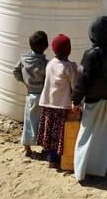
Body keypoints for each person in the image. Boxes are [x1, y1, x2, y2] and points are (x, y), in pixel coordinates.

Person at [71, 16, 107, 181]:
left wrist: (75, 100)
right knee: (105, 134)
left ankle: (81, 171)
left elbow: (83, 81)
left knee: (86, 134)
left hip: (93, 101)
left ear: (93, 33)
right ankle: (102, 169)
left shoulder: (90, 55)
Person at [36, 34, 79, 169]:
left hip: (48, 104)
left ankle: (50, 156)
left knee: (49, 131)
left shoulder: (49, 64)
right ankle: (56, 159)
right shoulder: (70, 67)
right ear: (69, 50)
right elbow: (75, 87)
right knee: (60, 133)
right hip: (61, 105)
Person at [12, 30, 49, 162]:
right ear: (46, 46)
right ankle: (45, 148)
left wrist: (23, 81)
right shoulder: (45, 64)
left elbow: (15, 70)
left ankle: (27, 149)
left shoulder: (24, 59)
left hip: (30, 94)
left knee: (28, 122)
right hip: (43, 97)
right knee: (43, 122)